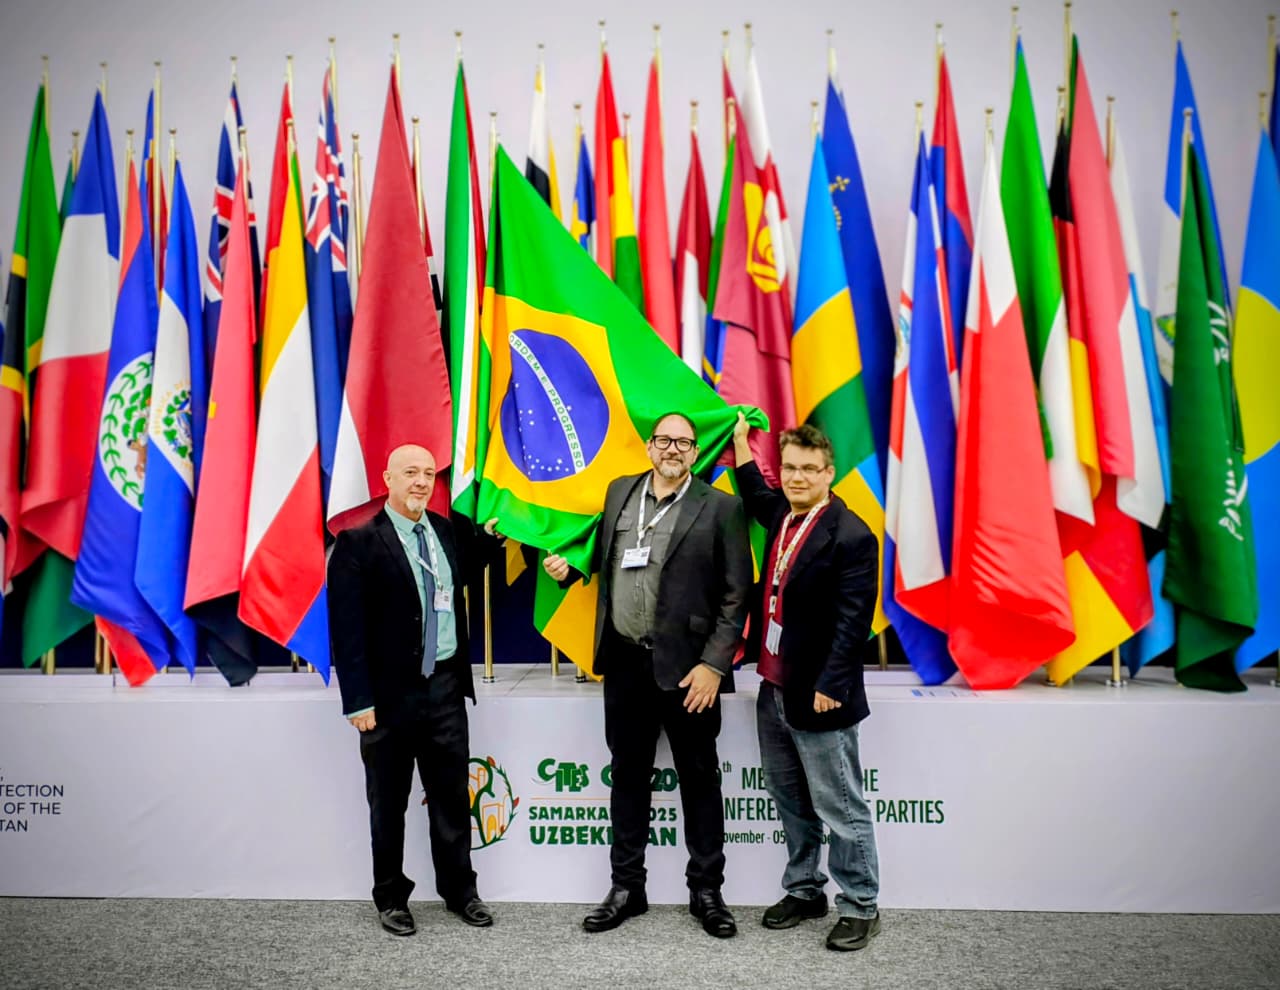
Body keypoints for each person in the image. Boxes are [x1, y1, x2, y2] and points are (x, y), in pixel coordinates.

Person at [542, 412, 752, 938]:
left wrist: (713, 665)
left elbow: (736, 596)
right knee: (628, 778)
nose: (672, 449)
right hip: (625, 665)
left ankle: (707, 891)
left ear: (695, 451)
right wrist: (571, 568)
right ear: (649, 445)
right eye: (664, 440)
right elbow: (604, 555)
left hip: (690, 672)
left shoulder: (721, 507)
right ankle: (626, 888)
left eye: (683, 442)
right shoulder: (619, 492)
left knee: (699, 780)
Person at [329, 444, 500, 936]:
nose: (421, 482)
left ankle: (460, 891)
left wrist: (497, 531)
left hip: (445, 689)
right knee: (389, 803)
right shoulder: (358, 544)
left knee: (452, 797)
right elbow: (347, 631)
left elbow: (475, 562)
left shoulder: (446, 532)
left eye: (428, 473)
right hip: (387, 698)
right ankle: (390, 898)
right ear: (388, 478)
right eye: (410, 472)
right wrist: (358, 700)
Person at [731, 413, 883, 952]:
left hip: (821, 694)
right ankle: (804, 889)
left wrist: (832, 686)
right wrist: (740, 444)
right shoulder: (782, 514)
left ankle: (860, 904)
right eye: (790, 468)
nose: (797, 478)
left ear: (828, 472)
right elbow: (755, 493)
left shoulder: (852, 536)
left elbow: (853, 624)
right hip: (773, 687)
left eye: (809, 469)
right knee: (790, 799)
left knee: (839, 805)